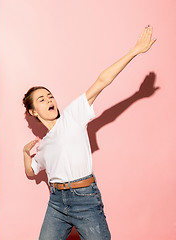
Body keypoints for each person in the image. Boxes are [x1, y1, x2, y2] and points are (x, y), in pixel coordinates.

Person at [22, 26, 156, 240]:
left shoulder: (72, 117)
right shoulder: (45, 144)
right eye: (42, 99)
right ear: (32, 111)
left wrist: (135, 51)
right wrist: (24, 152)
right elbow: (31, 171)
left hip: (84, 197)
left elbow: (101, 82)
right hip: (56, 203)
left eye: (50, 96)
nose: (50, 101)